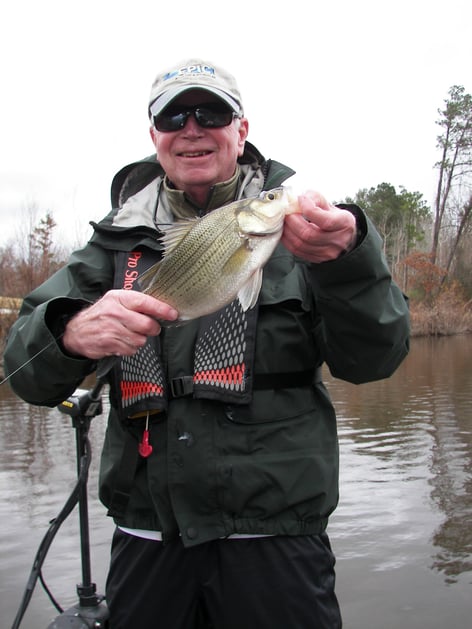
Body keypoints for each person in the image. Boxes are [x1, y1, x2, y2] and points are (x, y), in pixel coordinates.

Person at [4, 58, 410, 629]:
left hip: (277, 537)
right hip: (149, 535)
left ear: (242, 129)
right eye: (173, 116)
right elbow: (24, 371)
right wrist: (68, 333)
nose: (191, 128)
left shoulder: (307, 232)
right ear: (154, 136)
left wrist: (349, 264)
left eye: (211, 112)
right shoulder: (111, 243)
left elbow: (376, 360)